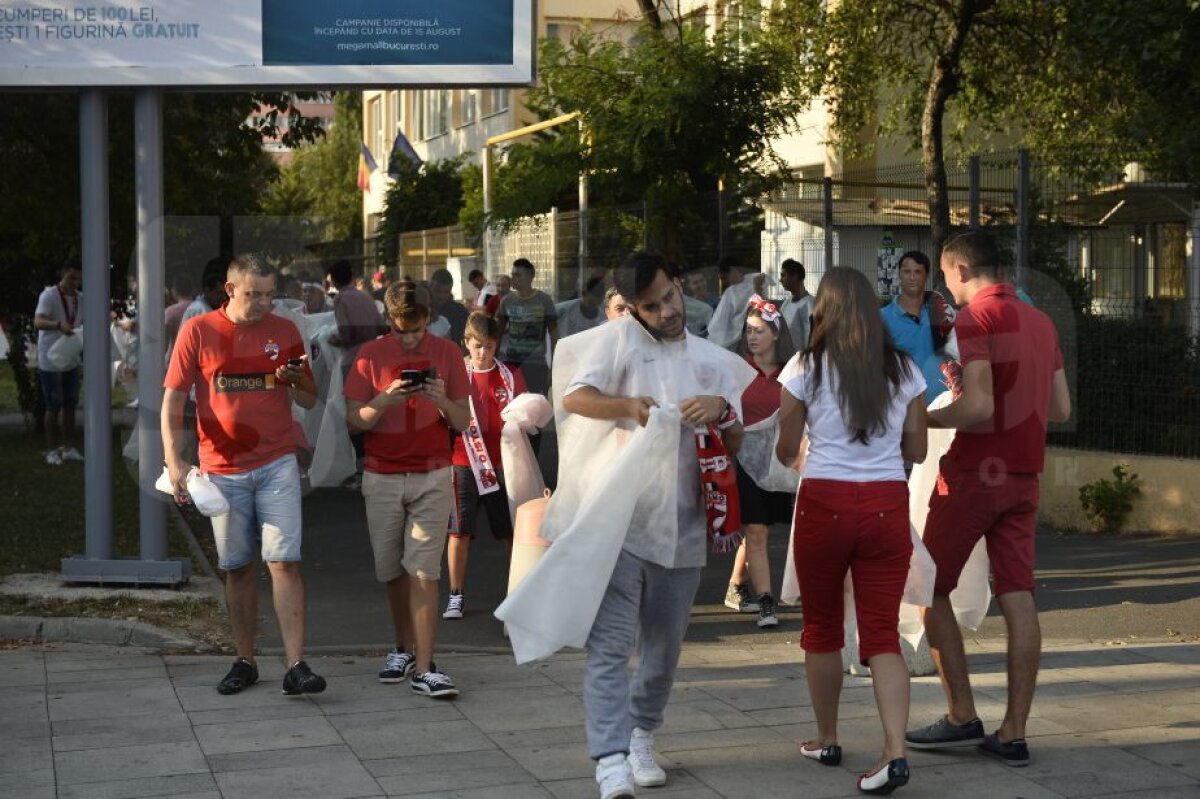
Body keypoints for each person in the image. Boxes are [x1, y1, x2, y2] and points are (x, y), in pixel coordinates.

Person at [559, 252, 753, 799]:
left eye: (670, 296)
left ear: (679, 285)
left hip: (687, 521)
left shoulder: (713, 360)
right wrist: (629, 406)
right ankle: (610, 757)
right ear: (634, 310)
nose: (668, 310)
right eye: (653, 305)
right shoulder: (617, 343)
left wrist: (721, 409)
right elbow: (574, 397)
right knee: (610, 644)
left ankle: (642, 734)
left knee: (664, 647)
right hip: (619, 517)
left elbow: (736, 443)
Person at [906, 231, 1071, 768]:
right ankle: (1014, 733)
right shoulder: (1041, 321)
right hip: (1024, 475)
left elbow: (975, 407)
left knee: (928, 585)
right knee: (1018, 596)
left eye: (944, 276)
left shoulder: (974, 320)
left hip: (976, 473)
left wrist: (926, 417)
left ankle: (961, 716)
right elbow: (1061, 409)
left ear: (955, 269)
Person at [776, 266, 928, 796]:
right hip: (887, 503)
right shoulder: (905, 369)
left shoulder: (805, 366)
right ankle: (896, 751)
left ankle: (826, 737)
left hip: (825, 503)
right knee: (881, 633)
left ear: (825, 309)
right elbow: (917, 451)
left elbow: (784, 447)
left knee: (821, 628)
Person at [162, 254, 326, 697]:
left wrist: (295, 381)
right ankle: (245, 660)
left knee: (285, 562)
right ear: (229, 290)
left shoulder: (285, 330)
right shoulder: (199, 330)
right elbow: (174, 399)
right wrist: (174, 461)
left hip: (276, 463)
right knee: (237, 567)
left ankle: (296, 666)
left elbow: (310, 401)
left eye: (269, 294)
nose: (262, 304)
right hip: (222, 470)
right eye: (253, 294)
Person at [344, 280, 471, 698]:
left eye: (417, 329)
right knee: (391, 570)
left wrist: (440, 399)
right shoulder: (369, 355)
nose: (411, 338)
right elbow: (354, 421)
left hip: (433, 473)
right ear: (388, 321)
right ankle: (402, 648)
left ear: (429, 319)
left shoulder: (448, 352)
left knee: (423, 570)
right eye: (401, 330)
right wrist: (384, 399)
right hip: (381, 474)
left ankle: (425, 664)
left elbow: (463, 421)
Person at [444, 312, 528, 620]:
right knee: (459, 531)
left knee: (508, 532)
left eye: (490, 346)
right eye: (478, 345)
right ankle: (455, 594)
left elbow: (525, 412)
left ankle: (519, 589)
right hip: (463, 462)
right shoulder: (456, 374)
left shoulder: (509, 375)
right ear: (465, 343)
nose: (483, 352)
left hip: (501, 466)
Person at [724, 296, 796, 627]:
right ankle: (767, 600)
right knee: (755, 530)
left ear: (777, 334)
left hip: (779, 462)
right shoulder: (736, 369)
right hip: (740, 461)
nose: (752, 337)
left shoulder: (793, 371)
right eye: (748, 331)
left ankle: (736, 585)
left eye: (759, 331)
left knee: (761, 529)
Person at [881, 250, 957, 405]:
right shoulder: (881, 318)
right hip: (903, 407)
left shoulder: (942, 313)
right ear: (899, 275)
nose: (912, 277)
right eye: (906, 271)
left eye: (918, 272)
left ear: (926, 275)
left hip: (942, 404)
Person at [33, 259, 84, 465]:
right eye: (71, 278)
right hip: (50, 358)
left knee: (70, 404)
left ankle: (69, 447)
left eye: (78, 279)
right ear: (63, 274)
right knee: (53, 406)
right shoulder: (49, 295)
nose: (74, 283)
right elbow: (37, 321)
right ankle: (51, 450)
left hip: (70, 356)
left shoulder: (81, 298)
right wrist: (57, 325)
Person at [497, 258, 558, 395]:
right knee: (513, 408)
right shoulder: (506, 301)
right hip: (512, 365)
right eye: (512, 274)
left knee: (536, 409)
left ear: (530, 277)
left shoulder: (544, 300)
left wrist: (554, 367)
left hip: (536, 365)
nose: (513, 278)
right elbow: (498, 333)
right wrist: (493, 362)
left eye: (517, 275)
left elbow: (554, 335)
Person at [328, 259, 388, 370]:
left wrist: (333, 340)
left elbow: (346, 334)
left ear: (333, 280)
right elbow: (383, 328)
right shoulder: (366, 296)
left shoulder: (340, 299)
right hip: (373, 359)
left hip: (353, 362)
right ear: (352, 277)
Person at [182, 257, 232, 324]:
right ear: (207, 291)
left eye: (223, 293)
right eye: (218, 293)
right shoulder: (198, 309)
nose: (222, 297)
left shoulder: (209, 306)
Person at [779, 258, 814, 350]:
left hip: (800, 360)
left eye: (783, 275)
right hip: (785, 358)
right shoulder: (786, 303)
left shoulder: (809, 304)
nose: (780, 280)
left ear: (795, 277)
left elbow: (810, 339)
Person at [430, 268, 470, 344]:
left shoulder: (460, 312)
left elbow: (469, 338)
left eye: (446, 292)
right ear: (431, 287)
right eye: (437, 291)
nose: (441, 296)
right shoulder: (422, 311)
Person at [163, 274, 195, 352]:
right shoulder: (201, 308)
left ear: (174, 291)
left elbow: (164, 340)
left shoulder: (170, 312)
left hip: (175, 354)